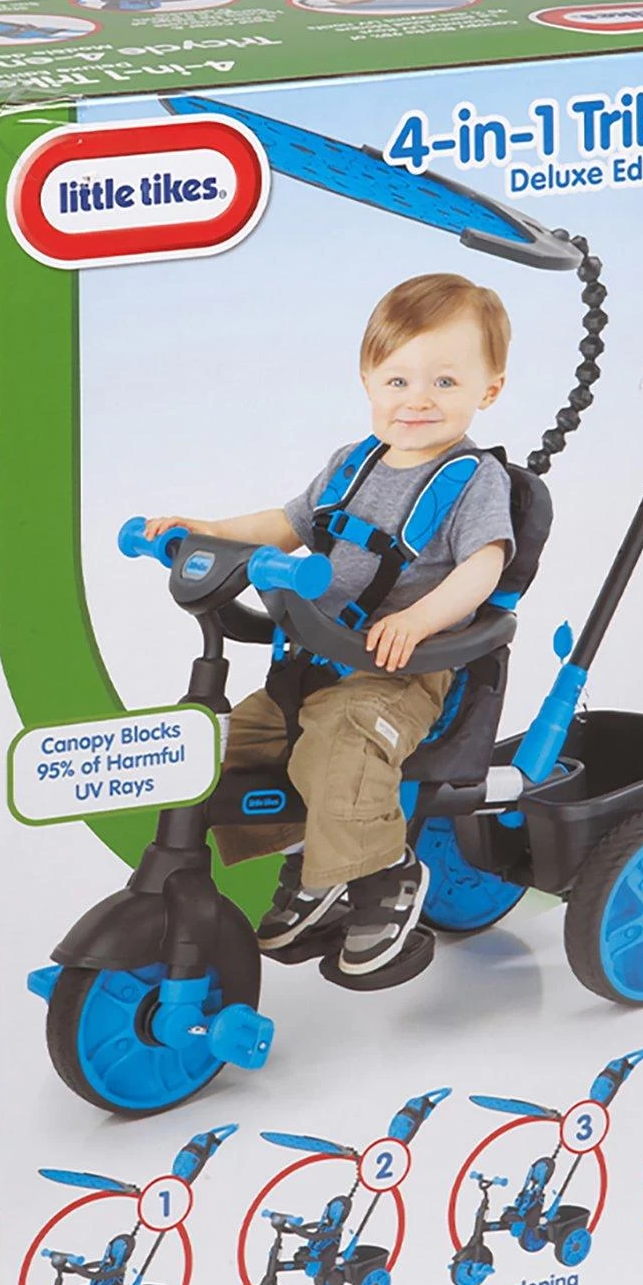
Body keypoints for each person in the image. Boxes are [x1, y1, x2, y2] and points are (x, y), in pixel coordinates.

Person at [145, 273, 515, 977]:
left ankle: (384, 874)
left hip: (397, 675)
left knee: (340, 751)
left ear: (488, 391)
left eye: (444, 382)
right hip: (312, 665)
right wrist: (208, 529)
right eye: (398, 380)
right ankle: (317, 864)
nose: (418, 400)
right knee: (226, 749)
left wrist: (419, 618)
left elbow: (485, 566)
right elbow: (285, 524)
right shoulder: (351, 465)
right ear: (367, 381)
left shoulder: (475, 481)